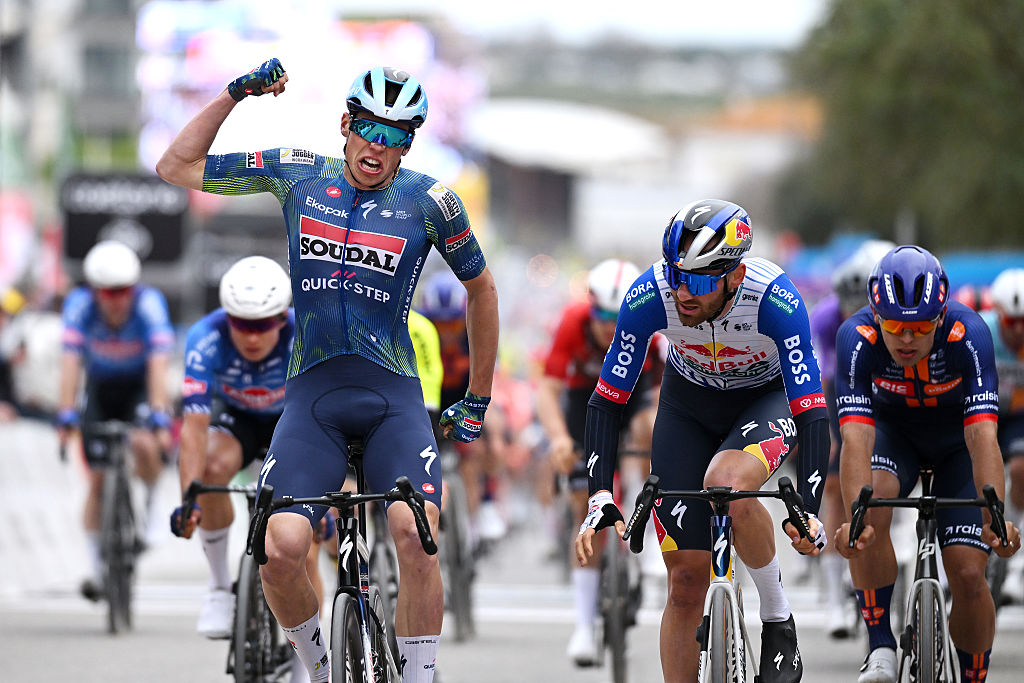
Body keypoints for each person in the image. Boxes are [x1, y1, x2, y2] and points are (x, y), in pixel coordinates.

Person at [156, 60, 499, 683]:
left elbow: (482, 290)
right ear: (346, 123)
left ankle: (420, 676)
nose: (378, 145)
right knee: (278, 551)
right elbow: (174, 166)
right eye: (369, 127)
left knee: (414, 534)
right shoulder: (299, 174)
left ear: (410, 145)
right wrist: (237, 94)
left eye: (397, 136)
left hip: (393, 397)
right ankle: (316, 669)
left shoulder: (431, 201)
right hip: (312, 398)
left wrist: (477, 397)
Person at [576, 199, 829, 683]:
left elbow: (813, 410)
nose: (682, 293)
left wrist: (811, 511)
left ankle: (777, 618)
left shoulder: (774, 299)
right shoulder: (650, 293)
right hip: (687, 405)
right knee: (686, 583)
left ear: (734, 276)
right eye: (676, 275)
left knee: (727, 482)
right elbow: (607, 400)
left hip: (764, 400)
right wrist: (599, 494)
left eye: (697, 281)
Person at [832, 246, 1021, 683]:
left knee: (971, 574)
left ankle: (974, 675)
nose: (906, 339)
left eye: (920, 327)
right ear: (875, 314)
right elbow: (856, 436)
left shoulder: (969, 333)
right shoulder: (855, 337)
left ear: (940, 317)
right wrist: (855, 518)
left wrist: (995, 514)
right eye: (895, 326)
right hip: (893, 437)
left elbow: (982, 435)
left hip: (957, 442)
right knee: (870, 504)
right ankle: (880, 645)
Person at [537, 257, 660, 666]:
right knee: (580, 507)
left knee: (650, 430)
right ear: (590, 308)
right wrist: (558, 440)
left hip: (634, 396)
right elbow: (548, 391)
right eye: (602, 316)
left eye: (618, 316)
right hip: (583, 403)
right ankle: (584, 627)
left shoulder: (651, 328)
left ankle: (650, 510)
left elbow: (667, 394)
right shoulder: (572, 324)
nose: (610, 326)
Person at [56, 240, 175, 601]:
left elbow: (159, 364)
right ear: (94, 291)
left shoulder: (150, 305)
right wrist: (64, 413)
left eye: (124, 290)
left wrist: (159, 414)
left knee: (143, 443)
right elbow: (70, 363)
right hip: (101, 390)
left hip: (138, 388)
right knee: (96, 480)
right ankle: (96, 569)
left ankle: (151, 510)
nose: (117, 299)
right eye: (108, 292)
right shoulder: (78, 306)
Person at [810, 239, 894, 637]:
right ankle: (831, 597)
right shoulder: (828, 319)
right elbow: (824, 380)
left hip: (884, 393)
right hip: (841, 390)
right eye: (847, 305)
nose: (852, 313)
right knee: (832, 486)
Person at [418, 270, 508, 545]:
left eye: (453, 327)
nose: (446, 334)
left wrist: (482, 420)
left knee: (490, 438)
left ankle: (486, 502)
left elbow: (489, 380)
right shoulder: (419, 331)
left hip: (466, 395)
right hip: (429, 396)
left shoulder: (475, 331)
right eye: (439, 327)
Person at [982, 268, 1024, 600]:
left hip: (1019, 416)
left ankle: (1019, 562)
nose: (1020, 330)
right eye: (1012, 323)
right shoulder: (981, 331)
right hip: (985, 411)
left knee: (1021, 469)